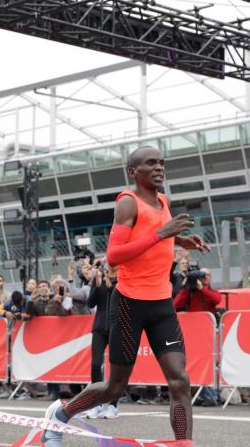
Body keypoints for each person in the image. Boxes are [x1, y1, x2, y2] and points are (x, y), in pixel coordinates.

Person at [41, 146, 209, 446]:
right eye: (151, 163)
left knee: (179, 380)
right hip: (130, 304)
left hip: (161, 305)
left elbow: (156, 232)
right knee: (115, 388)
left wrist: (180, 238)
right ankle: (61, 416)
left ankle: (184, 444)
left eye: (161, 162)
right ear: (134, 172)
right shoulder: (127, 203)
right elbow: (114, 256)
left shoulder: (162, 201)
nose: (159, 168)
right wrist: (162, 233)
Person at [85, 264, 119, 419]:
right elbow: (90, 303)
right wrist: (97, 285)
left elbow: (120, 301)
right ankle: (97, 404)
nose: (111, 267)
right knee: (95, 365)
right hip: (99, 329)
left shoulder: (121, 281)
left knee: (117, 367)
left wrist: (110, 286)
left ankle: (113, 405)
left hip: (117, 328)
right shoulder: (98, 280)